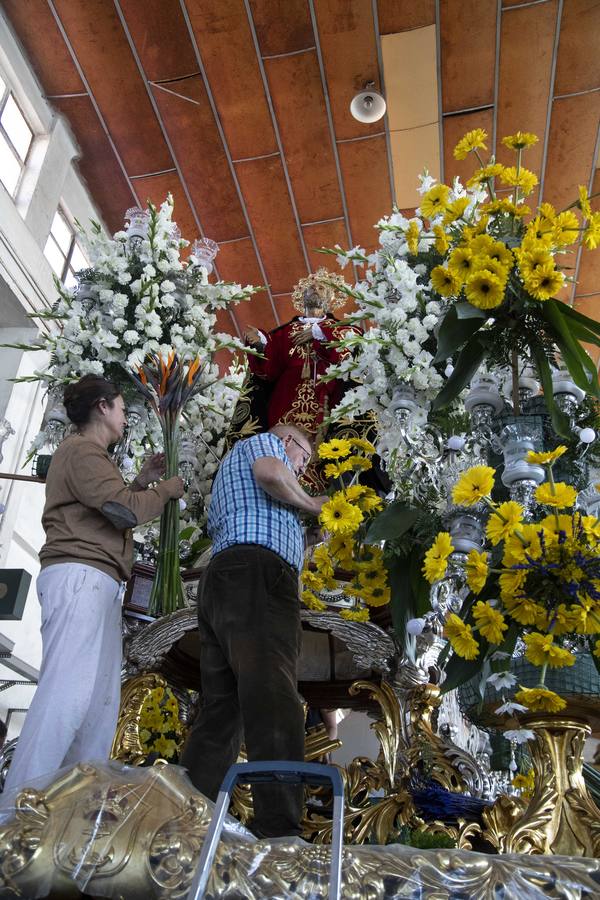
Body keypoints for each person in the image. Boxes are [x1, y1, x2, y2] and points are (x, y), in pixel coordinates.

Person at [3, 375, 184, 795]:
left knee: (97, 708)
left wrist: (140, 482)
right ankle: (17, 809)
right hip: (80, 574)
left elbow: (108, 507)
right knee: (66, 694)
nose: (125, 418)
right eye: (121, 408)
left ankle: (69, 807)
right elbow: (123, 511)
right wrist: (163, 492)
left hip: (97, 580)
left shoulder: (90, 455)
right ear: (102, 407)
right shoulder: (81, 449)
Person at [180, 424, 327, 838]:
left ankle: (188, 822)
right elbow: (270, 473)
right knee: (274, 696)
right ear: (288, 442)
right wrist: (314, 504)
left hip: (227, 578)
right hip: (258, 576)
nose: (302, 468)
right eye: (303, 458)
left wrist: (308, 535)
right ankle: (278, 830)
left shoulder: (240, 472)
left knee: (222, 710)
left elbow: (264, 512)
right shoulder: (266, 445)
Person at [244, 268, 360, 436]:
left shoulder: (339, 328)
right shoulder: (283, 332)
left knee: (320, 440)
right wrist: (260, 344)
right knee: (280, 437)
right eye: (311, 288)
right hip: (287, 392)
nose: (315, 289)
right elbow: (269, 369)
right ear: (303, 296)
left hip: (325, 389)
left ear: (329, 298)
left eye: (321, 288)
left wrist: (319, 332)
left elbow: (353, 344)